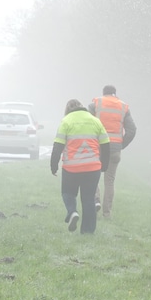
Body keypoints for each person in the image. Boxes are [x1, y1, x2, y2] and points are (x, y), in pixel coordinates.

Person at [50, 99, 109, 234]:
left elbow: (57, 146)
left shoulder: (66, 121)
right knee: (88, 199)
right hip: (92, 167)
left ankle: (72, 212)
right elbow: (106, 145)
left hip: (72, 168)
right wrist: (104, 165)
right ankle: (87, 232)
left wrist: (54, 166)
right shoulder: (95, 120)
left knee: (68, 193)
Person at [88, 85, 136, 218]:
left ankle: (95, 200)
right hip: (114, 149)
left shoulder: (95, 105)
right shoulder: (123, 107)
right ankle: (107, 213)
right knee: (109, 180)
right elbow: (132, 130)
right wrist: (121, 145)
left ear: (103, 94)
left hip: (97, 147)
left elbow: (87, 123)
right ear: (115, 94)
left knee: (93, 176)